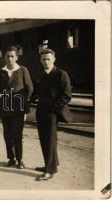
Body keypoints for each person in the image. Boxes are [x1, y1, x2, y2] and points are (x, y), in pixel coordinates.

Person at [35, 48, 72, 181]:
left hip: (52, 113)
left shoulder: (61, 74)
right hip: (41, 112)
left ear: (54, 59)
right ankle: (50, 165)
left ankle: (49, 171)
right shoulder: (41, 74)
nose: (46, 62)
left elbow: (67, 95)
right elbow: (37, 92)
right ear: (40, 60)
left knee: (50, 140)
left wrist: (53, 109)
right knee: (44, 140)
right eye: (43, 59)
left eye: (48, 59)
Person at [0, 46, 33, 169]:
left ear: (16, 57)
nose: (10, 59)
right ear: (4, 57)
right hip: (5, 108)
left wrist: (24, 104)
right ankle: (11, 158)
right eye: (8, 56)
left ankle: (19, 159)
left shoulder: (23, 70)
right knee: (7, 135)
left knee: (17, 135)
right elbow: (0, 89)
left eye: (12, 56)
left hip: (18, 109)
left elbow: (29, 88)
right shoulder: (1, 72)